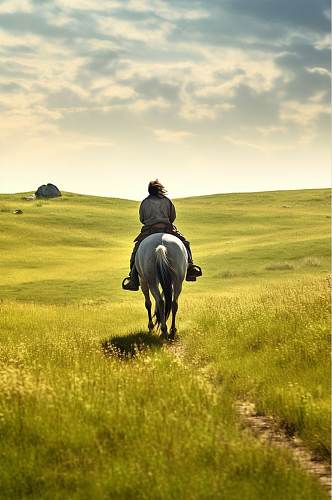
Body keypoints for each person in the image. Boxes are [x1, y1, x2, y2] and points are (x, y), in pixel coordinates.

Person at [122, 180, 202, 291]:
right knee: (185, 243)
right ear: (159, 189)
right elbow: (172, 216)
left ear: (150, 191)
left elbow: (142, 218)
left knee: (136, 250)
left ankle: (133, 277)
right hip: (167, 229)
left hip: (149, 230)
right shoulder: (167, 201)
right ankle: (190, 268)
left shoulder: (145, 202)